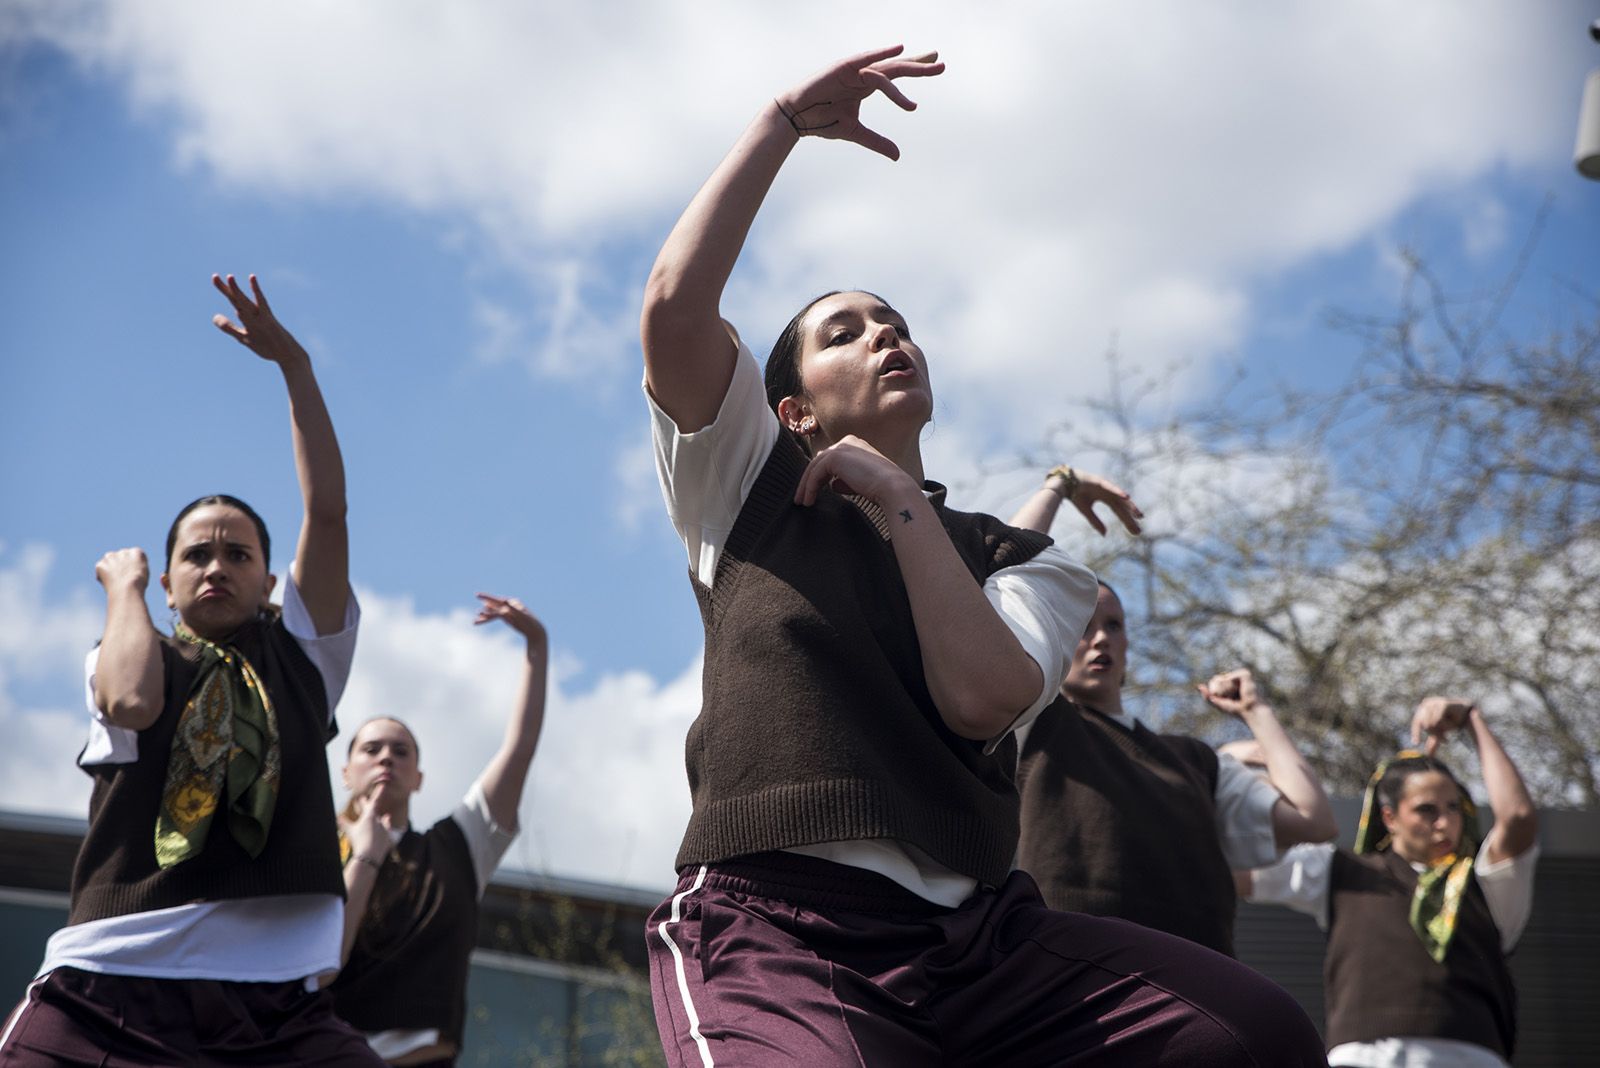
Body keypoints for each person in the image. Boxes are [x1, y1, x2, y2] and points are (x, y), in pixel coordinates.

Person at [638, 46, 1326, 1066]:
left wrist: (900, 503)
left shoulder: (1028, 562)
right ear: (793, 410)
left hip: (986, 944)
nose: (883, 336)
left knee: (1256, 1034)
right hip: (776, 926)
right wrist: (781, 121)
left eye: (897, 324)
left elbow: (979, 697)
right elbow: (673, 310)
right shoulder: (744, 488)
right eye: (846, 332)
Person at [0, 276, 384, 1066]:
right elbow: (132, 701)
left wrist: (296, 368)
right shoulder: (133, 647)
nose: (217, 567)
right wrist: (123, 587)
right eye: (195, 555)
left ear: (270, 582)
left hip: (276, 1004)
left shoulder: (304, 655)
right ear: (170, 582)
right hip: (107, 984)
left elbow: (330, 512)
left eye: (238, 554)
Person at [1011, 468, 1339, 956]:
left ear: (1127, 643)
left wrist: (1257, 711)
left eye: (1114, 625)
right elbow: (1007, 579)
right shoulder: (1036, 722)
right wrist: (1059, 485)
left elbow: (1314, 821)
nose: (1100, 638)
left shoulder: (1197, 763)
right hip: (1071, 975)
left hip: (1197, 982)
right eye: (1082, 625)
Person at [1245, 698, 1538, 1067]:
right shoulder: (1345, 873)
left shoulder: (1484, 884)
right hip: (1366, 1058)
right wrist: (1242, 753)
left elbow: (1519, 817)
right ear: (1390, 816)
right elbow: (1236, 872)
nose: (1445, 823)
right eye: (1426, 810)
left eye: (1453, 808)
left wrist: (1472, 720)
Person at [330, 594, 549, 1066]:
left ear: (419, 778)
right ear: (345, 771)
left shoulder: (458, 847)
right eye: (371, 749)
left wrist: (536, 644)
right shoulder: (314, 847)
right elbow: (320, 963)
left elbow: (520, 748)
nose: (386, 756)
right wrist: (364, 858)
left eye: (401, 750)